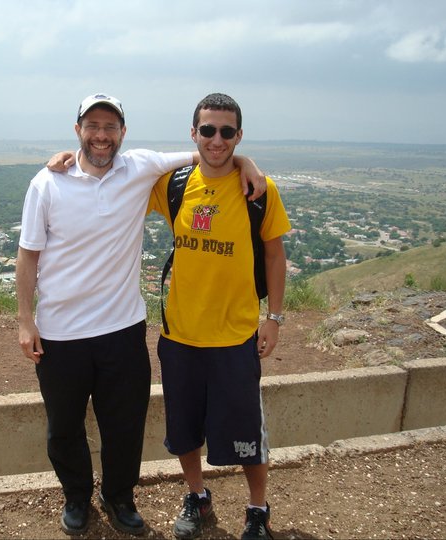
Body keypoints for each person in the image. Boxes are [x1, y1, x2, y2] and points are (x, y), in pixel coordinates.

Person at [16, 93, 266, 536]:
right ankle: (76, 496)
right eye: (92, 126)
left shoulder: (139, 168)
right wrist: (24, 319)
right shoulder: (47, 183)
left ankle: (119, 497)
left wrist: (246, 161)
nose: (101, 135)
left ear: (123, 132)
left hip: (122, 329)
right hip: (60, 332)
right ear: (78, 130)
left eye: (110, 127)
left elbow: (210, 153)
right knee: (64, 426)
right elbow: (28, 254)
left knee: (124, 425)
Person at [147, 93, 291, 540]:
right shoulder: (173, 185)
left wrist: (274, 318)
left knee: (248, 435)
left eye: (227, 132)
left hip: (234, 337)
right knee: (184, 432)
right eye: (208, 130)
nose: (217, 139)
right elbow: (117, 174)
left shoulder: (258, 191)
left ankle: (257, 509)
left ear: (239, 135)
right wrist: (71, 159)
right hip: (181, 335)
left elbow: (275, 255)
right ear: (193, 133)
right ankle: (197, 496)